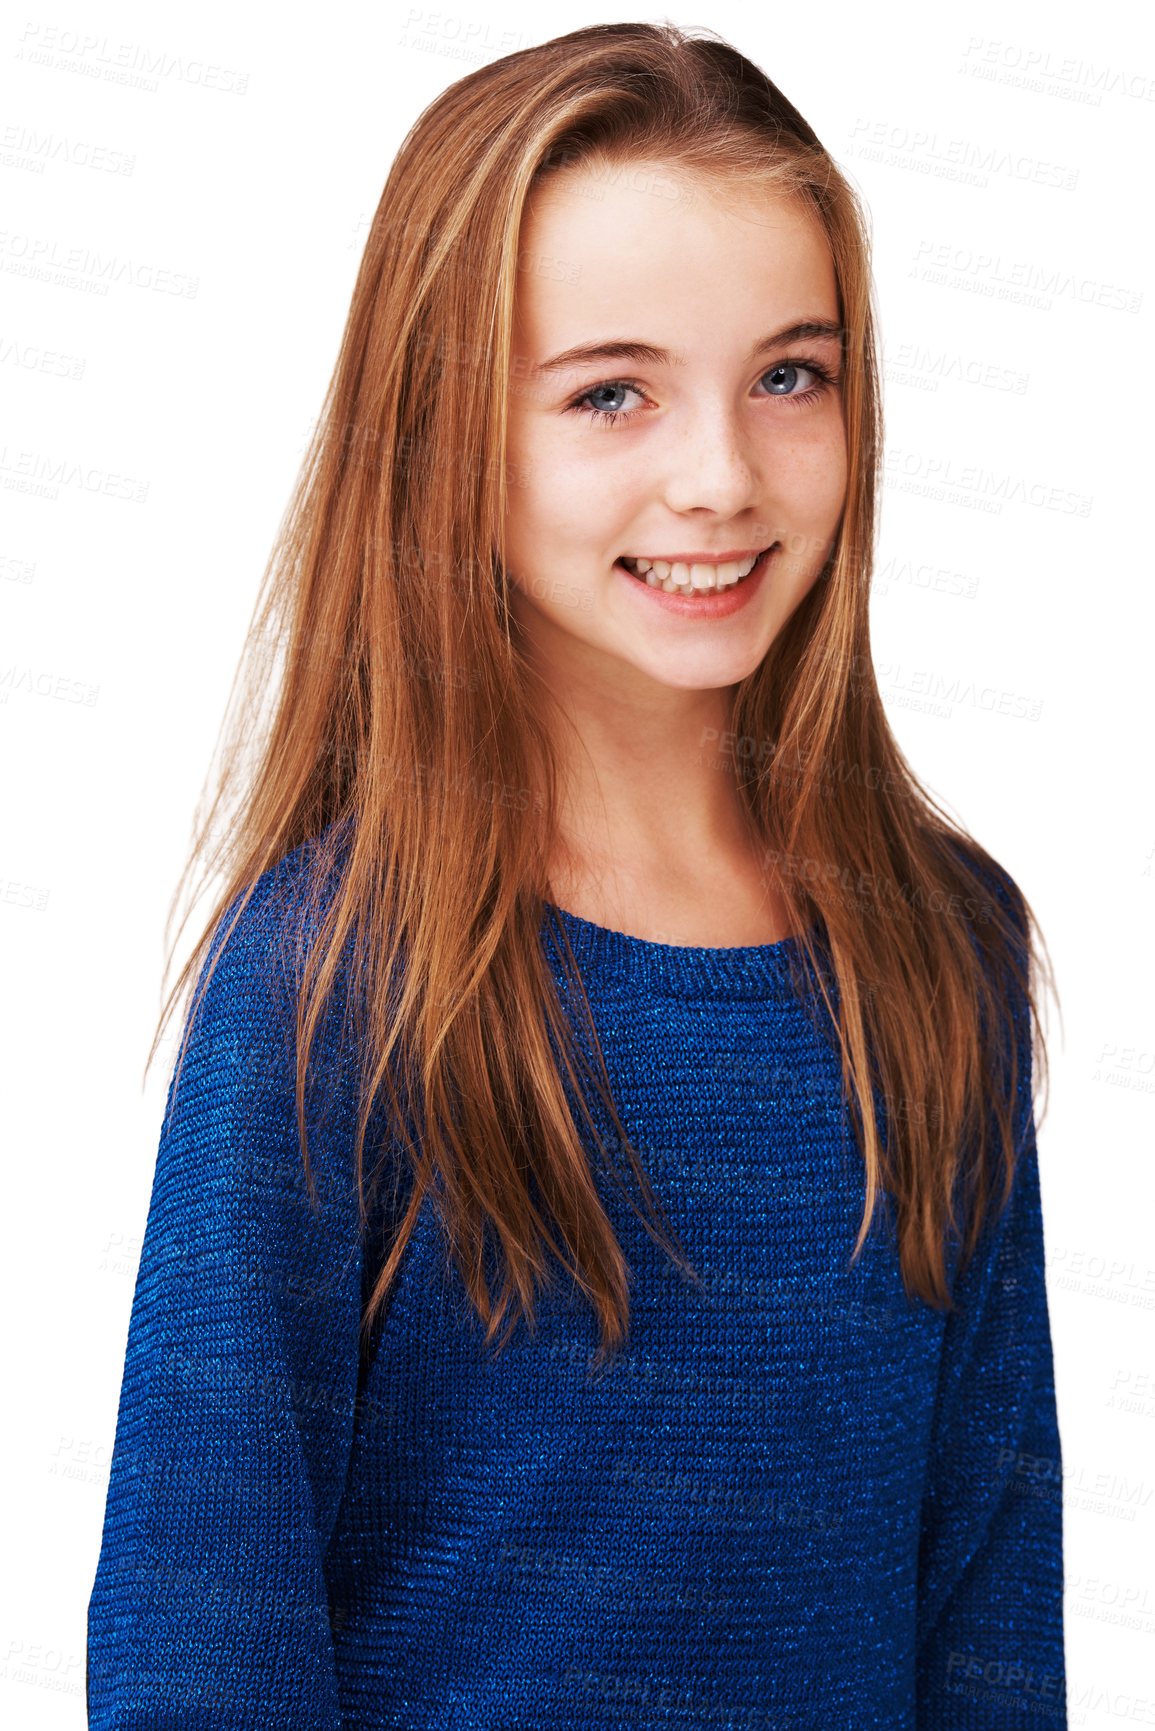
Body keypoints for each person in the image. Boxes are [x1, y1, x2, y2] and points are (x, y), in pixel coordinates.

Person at [86, 21, 1066, 1729]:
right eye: (612, 392)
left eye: (791, 375)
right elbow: (201, 1628)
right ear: (447, 431)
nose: (720, 478)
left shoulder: (942, 950)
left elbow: (986, 1600)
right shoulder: (334, 977)